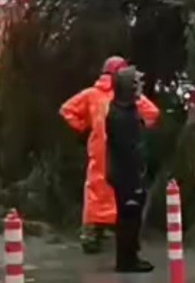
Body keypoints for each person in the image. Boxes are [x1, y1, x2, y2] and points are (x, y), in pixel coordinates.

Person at [60, 56, 160, 253]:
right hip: (124, 152)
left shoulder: (91, 94)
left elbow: (67, 110)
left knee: (96, 191)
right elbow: (152, 114)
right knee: (124, 192)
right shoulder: (128, 96)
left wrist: (84, 127)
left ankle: (91, 235)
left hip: (99, 151)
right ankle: (125, 237)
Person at [106, 66, 154, 273]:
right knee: (128, 217)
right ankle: (126, 260)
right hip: (126, 174)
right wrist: (136, 175)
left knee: (132, 215)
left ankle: (130, 255)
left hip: (129, 172)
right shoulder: (121, 116)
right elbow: (128, 149)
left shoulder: (126, 110)